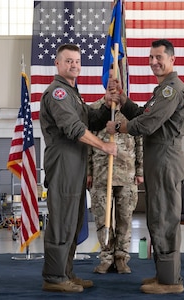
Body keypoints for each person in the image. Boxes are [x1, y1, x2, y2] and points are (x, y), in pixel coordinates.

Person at [106, 39, 184, 294]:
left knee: (164, 219)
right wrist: (123, 100)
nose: (154, 62)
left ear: (172, 59)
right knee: (157, 218)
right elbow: (144, 114)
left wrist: (118, 127)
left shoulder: (170, 89)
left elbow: (148, 124)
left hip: (165, 160)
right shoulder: (161, 89)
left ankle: (170, 281)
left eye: (159, 57)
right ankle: (164, 275)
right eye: (151, 57)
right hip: (159, 160)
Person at [39, 43, 118, 293]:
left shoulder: (73, 93)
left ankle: (66, 272)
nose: (74, 65)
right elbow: (73, 129)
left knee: (73, 222)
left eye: (77, 61)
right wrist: (103, 147)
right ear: (58, 64)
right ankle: (54, 276)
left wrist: (106, 105)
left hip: (76, 165)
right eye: (68, 61)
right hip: (63, 163)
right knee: (62, 221)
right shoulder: (58, 93)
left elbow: (89, 121)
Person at [87, 90, 144, 275]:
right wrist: (88, 172)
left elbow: (139, 141)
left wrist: (140, 170)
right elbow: (87, 142)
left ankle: (121, 258)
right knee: (102, 219)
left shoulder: (130, 110)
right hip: (101, 173)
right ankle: (106, 257)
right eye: (110, 83)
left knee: (125, 219)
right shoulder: (95, 109)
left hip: (127, 173)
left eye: (117, 83)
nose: (114, 87)